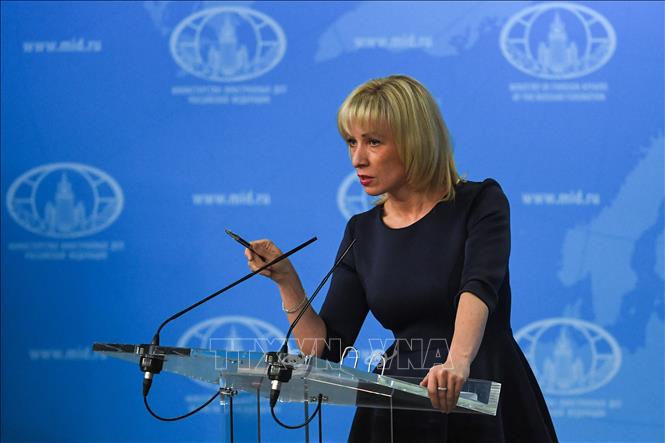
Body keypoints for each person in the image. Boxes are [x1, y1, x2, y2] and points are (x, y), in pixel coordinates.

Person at [245, 75, 558, 442]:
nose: (357, 159)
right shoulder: (362, 231)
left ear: (414, 140)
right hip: (401, 399)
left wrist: (457, 361)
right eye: (351, 142)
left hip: (480, 385)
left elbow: (478, 287)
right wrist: (287, 281)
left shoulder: (480, 202)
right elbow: (326, 351)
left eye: (373, 142)